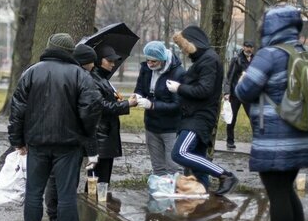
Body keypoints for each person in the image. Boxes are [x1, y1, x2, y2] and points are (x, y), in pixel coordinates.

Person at [235, 4, 308, 221]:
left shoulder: (268, 55)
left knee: (278, 193)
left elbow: (244, 91)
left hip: (276, 139)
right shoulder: (305, 52)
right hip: (303, 134)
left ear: (272, 27)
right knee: (287, 189)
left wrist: (243, 77)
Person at [8, 33, 102, 221]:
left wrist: (18, 141)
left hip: (37, 143)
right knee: (66, 194)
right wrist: (85, 135)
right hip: (68, 145)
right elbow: (92, 108)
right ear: (70, 52)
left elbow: (17, 110)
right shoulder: (80, 75)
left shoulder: (31, 72)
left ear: (49, 47)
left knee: (33, 193)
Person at [169, 25, 238, 195]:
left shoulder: (208, 60)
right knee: (197, 164)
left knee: (180, 153)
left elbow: (204, 90)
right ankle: (203, 197)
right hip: (195, 115)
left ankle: (226, 176)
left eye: (182, 47)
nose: (183, 51)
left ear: (192, 43)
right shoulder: (204, 59)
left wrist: (179, 88)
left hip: (199, 117)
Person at [44, 43, 99, 221]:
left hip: (46, 135)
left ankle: (52, 219)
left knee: (52, 180)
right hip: (70, 139)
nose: (94, 65)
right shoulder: (81, 78)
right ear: (86, 62)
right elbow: (88, 116)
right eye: (92, 62)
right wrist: (92, 149)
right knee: (67, 183)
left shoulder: (47, 73)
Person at [133, 40, 186, 176]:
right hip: (151, 125)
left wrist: (152, 105)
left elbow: (177, 105)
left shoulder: (178, 73)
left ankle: (174, 193)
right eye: (148, 60)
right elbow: (140, 88)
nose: (150, 64)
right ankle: (160, 193)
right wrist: (137, 96)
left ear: (162, 59)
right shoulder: (146, 68)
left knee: (172, 167)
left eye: (154, 62)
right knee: (158, 167)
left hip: (171, 127)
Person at [90, 44, 137, 184]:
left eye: (113, 60)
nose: (113, 63)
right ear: (99, 61)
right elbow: (102, 106)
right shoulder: (94, 79)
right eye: (109, 60)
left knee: (102, 180)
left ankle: (96, 203)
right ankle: (92, 205)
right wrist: (126, 104)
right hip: (100, 136)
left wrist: (118, 99)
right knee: (98, 180)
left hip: (106, 136)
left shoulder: (103, 79)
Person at [222, 41, 255, 149]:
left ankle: (257, 142)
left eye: (251, 47)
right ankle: (230, 141)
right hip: (236, 94)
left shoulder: (255, 60)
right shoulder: (236, 59)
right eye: (247, 47)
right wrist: (227, 92)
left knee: (253, 118)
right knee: (232, 118)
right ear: (243, 47)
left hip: (248, 94)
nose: (249, 49)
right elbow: (229, 77)